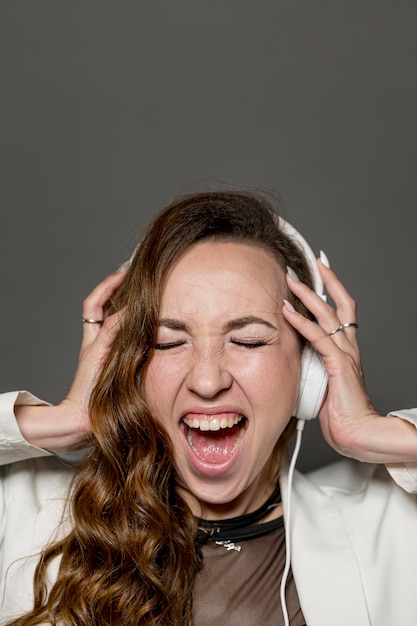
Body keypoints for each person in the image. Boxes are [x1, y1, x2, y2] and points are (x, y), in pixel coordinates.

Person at [1, 190, 417, 625]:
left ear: (309, 368)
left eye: (248, 340)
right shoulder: (26, 511)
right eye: (168, 342)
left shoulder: (389, 521)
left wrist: (374, 431)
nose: (207, 380)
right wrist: (60, 421)